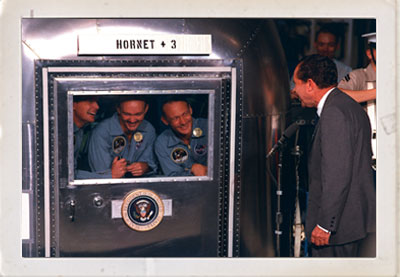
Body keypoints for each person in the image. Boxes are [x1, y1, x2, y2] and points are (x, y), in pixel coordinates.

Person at [292, 54, 375, 257]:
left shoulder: (334, 113)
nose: (294, 90)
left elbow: (337, 174)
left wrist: (325, 225)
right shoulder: (349, 106)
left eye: (297, 84)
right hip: (353, 224)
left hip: (338, 230)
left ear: (310, 84)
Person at [88, 96, 157, 178]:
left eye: (138, 114)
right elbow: (99, 174)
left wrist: (146, 167)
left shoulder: (149, 130)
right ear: (118, 109)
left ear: (146, 109)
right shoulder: (101, 132)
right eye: (127, 114)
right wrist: (112, 173)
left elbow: (152, 164)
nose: (132, 120)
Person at [290, 24, 352, 92]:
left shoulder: (346, 71)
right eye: (321, 44)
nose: (325, 49)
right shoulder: (302, 68)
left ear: (337, 46)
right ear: (315, 45)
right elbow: (292, 92)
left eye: (330, 45)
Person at [155, 97, 207, 176]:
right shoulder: (162, 143)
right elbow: (173, 177)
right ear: (165, 120)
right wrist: (191, 171)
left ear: (190, 110)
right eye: (175, 118)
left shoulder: (209, 127)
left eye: (185, 114)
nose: (183, 122)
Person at [73, 95, 102, 179]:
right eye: (90, 101)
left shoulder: (80, 131)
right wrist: (110, 176)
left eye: (96, 102)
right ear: (73, 105)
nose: (97, 106)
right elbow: (68, 175)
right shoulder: (62, 132)